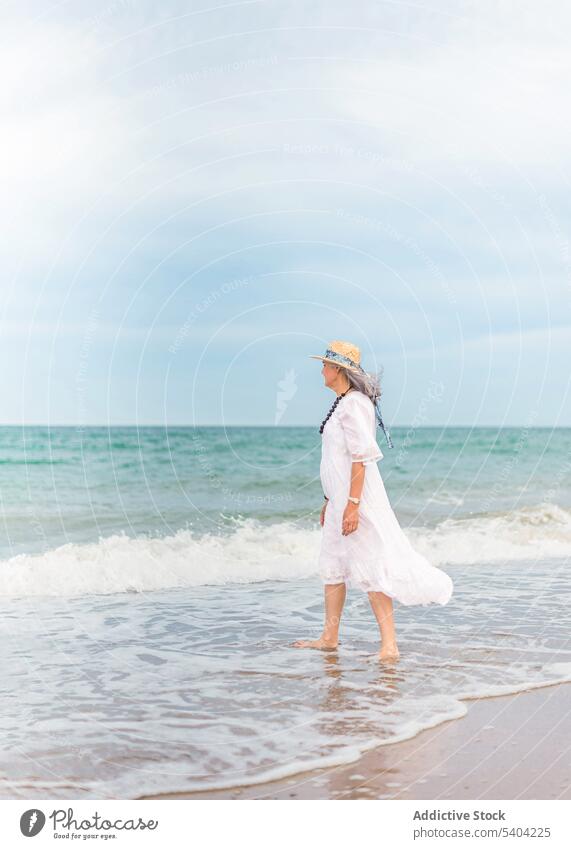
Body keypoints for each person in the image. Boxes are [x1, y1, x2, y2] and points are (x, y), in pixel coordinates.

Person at [293, 340, 453, 662]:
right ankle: (329, 637)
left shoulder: (354, 404)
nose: (321, 370)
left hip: (357, 501)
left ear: (338, 370)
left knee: (372, 566)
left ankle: (389, 646)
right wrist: (330, 500)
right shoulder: (342, 402)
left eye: (325, 364)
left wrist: (352, 504)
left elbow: (360, 458)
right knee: (333, 567)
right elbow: (335, 459)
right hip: (339, 500)